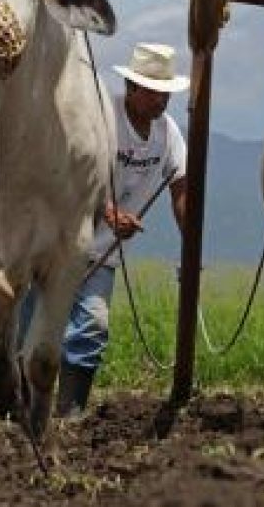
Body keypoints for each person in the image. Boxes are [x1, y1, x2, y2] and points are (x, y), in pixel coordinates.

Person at [56, 42, 189, 417]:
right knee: (33, 332)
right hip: (59, 244)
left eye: (165, 93)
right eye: (153, 91)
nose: (161, 101)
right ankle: (15, 413)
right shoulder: (100, 117)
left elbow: (181, 190)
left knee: (92, 328)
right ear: (131, 88)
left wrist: (191, 246)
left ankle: (70, 415)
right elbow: (72, 175)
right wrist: (109, 212)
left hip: (104, 254)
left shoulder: (169, 135)